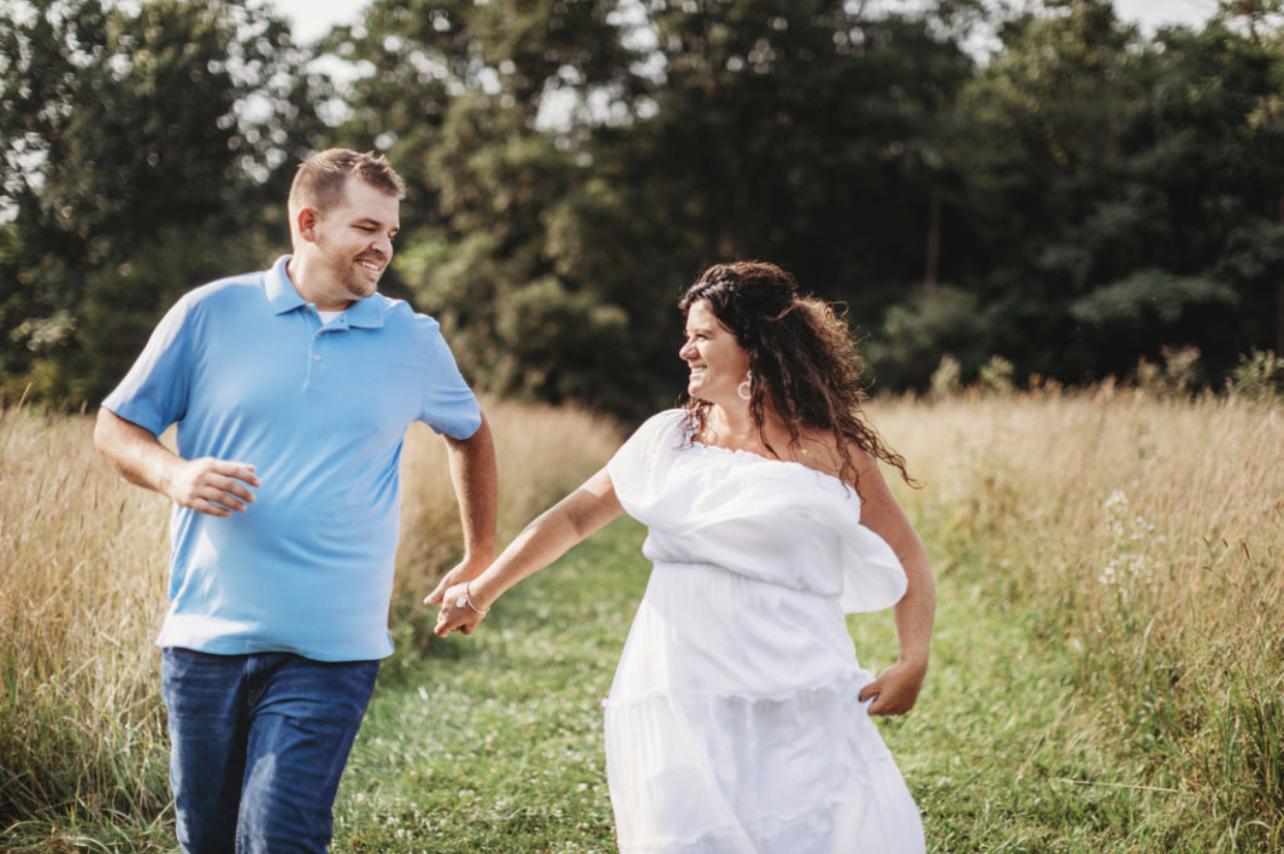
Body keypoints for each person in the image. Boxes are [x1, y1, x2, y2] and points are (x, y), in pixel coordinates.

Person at [431, 261, 933, 852]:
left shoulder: (829, 450)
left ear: (757, 346)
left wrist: (913, 658)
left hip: (795, 679)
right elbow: (571, 518)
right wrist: (483, 589)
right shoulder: (667, 437)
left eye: (703, 336)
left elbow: (908, 557)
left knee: (809, 828)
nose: (684, 350)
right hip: (676, 680)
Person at [94, 149, 498, 853]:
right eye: (368, 227)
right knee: (207, 841)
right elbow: (117, 426)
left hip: (331, 647)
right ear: (309, 223)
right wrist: (173, 475)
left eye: (393, 232)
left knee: (281, 836)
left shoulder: (412, 338)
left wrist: (479, 554)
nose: (385, 247)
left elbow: (469, 434)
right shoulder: (210, 313)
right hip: (204, 641)